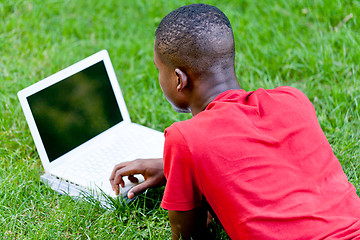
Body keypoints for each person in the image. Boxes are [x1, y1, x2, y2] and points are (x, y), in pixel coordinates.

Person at [110, 3, 360, 239]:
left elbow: (190, 235)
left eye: (158, 69)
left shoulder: (185, 138)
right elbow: (261, 157)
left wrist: (190, 184)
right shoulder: (293, 99)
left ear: (179, 79)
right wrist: (172, 168)